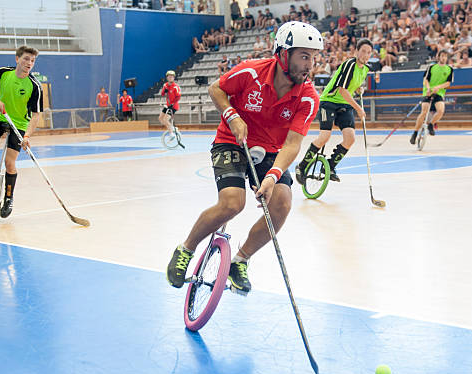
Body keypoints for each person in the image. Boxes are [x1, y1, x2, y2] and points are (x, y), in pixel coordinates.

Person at [166, 21, 323, 294]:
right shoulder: (251, 71)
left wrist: (273, 176)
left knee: (282, 205)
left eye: (314, 57)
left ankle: (240, 260)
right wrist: (233, 116)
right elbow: (216, 89)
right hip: (231, 141)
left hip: (270, 151)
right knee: (232, 204)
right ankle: (186, 249)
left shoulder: (308, 98)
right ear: (284, 54)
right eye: (304, 56)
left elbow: (293, 143)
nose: (311, 64)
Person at [0, 45, 43, 218]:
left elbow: (35, 116)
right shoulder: (3, 72)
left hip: (19, 125)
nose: (29, 63)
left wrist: (27, 136)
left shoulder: (34, 86)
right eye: (26, 59)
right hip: (0, 118)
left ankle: (8, 198)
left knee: (9, 163)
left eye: (32, 61)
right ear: (17, 59)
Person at [295, 39, 372, 184]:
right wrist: (358, 108)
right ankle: (302, 166)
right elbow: (342, 90)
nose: (366, 55)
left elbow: (350, 85)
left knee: (350, 139)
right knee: (325, 136)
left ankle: (329, 167)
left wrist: (358, 89)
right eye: (363, 51)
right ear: (356, 51)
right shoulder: (350, 64)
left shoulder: (366, 69)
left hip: (344, 105)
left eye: (369, 52)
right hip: (329, 102)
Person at [410, 50, 453, 144]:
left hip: (439, 93)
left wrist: (438, 87)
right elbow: (425, 80)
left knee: (441, 110)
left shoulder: (449, 69)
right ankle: (415, 133)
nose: (444, 58)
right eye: (442, 56)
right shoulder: (431, 67)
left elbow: (448, 83)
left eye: (445, 56)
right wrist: (429, 88)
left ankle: (431, 124)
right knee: (424, 112)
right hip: (428, 92)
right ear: (438, 57)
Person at [158, 70, 181, 134]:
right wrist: (164, 91)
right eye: (169, 76)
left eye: (172, 76)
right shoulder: (165, 85)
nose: (170, 77)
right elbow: (162, 94)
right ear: (167, 77)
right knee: (160, 118)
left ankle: (171, 134)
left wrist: (173, 103)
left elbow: (178, 97)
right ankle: (172, 128)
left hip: (173, 106)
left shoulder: (175, 87)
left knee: (165, 120)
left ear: (174, 78)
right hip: (167, 105)